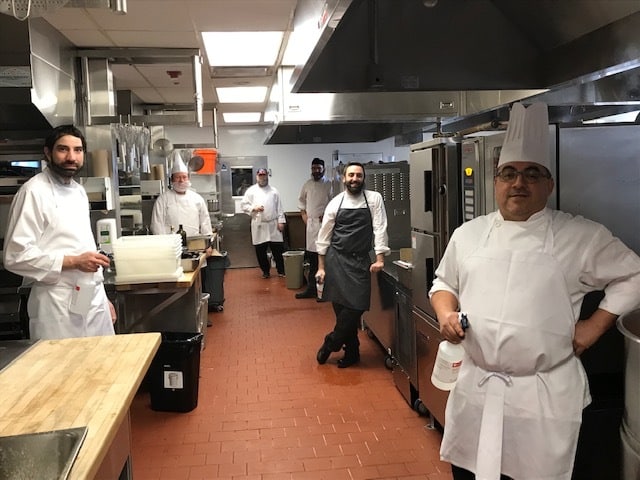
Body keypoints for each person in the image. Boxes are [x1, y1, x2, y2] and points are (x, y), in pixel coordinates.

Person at [429, 102, 640, 480]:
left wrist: (594, 326)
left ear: (549, 185)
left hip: (542, 400)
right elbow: (444, 283)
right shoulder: (469, 234)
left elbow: (634, 274)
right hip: (476, 393)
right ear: (496, 182)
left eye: (532, 174)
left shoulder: (579, 236)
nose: (519, 183)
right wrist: (445, 314)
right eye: (508, 173)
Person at [3, 125, 117, 340]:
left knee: (102, 358)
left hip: (92, 300)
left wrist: (103, 299)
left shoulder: (79, 191)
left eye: (78, 150)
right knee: (64, 360)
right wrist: (74, 262)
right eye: (63, 149)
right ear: (48, 153)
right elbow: (15, 256)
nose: (71, 157)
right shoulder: (33, 192)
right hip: (56, 305)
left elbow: (84, 246)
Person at [315, 162, 389, 368]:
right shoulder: (335, 203)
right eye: (351, 175)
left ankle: (331, 342)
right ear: (344, 178)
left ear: (363, 178)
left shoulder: (374, 198)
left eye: (358, 175)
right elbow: (323, 237)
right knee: (341, 311)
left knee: (356, 307)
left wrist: (380, 259)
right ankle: (352, 352)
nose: (354, 179)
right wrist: (321, 267)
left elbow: (380, 228)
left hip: (359, 261)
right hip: (336, 261)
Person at [150, 151, 213, 239]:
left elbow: (205, 221)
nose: (181, 180)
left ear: (188, 179)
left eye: (184, 177)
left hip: (194, 242)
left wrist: (208, 240)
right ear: (172, 180)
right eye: (178, 177)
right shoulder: (163, 199)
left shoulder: (197, 199)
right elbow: (157, 224)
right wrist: (163, 242)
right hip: (171, 242)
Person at [295, 157, 332, 300]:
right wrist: (304, 216)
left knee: (324, 258)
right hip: (311, 225)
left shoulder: (329, 185)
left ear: (323, 169)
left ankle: (325, 292)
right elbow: (301, 202)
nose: (316, 171)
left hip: (325, 225)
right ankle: (311, 289)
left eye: (318, 168)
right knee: (312, 259)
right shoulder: (307, 184)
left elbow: (334, 203)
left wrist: (327, 215)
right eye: (314, 168)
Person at [240, 168, 286, 278]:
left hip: (273, 223)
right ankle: (265, 271)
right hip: (259, 223)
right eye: (260, 175)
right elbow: (243, 205)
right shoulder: (251, 191)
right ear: (257, 177)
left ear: (267, 176)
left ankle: (281, 270)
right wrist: (254, 208)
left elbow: (279, 208)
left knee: (278, 249)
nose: (262, 177)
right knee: (260, 250)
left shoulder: (274, 191)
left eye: (264, 175)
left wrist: (281, 221)